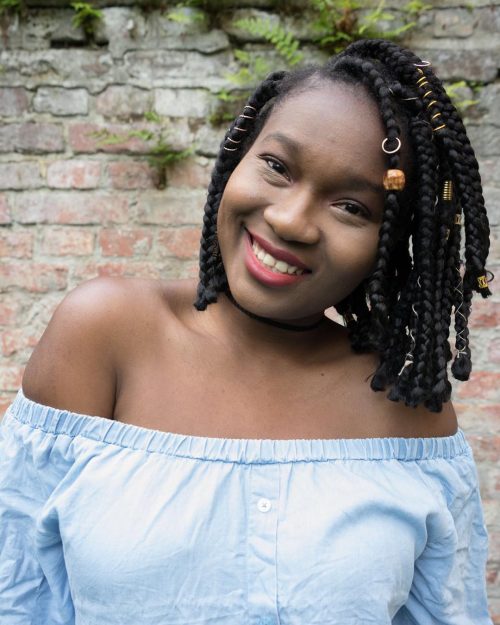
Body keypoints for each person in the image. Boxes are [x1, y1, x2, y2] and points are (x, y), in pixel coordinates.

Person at [0, 38, 494, 624]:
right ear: (237, 157)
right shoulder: (104, 336)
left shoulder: (403, 407)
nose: (290, 220)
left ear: (391, 246)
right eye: (277, 167)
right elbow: (20, 594)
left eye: (352, 207)